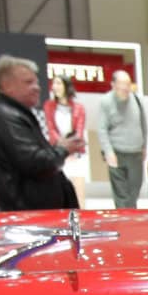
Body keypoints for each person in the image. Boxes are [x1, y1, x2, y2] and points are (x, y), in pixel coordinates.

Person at [0, 55, 84, 212]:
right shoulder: (6, 116)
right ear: (7, 85)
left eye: (36, 82)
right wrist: (63, 150)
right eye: (28, 82)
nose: (37, 87)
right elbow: (36, 163)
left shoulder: (13, 114)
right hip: (28, 217)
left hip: (33, 214)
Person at [96, 69, 147, 208]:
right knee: (121, 194)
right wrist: (108, 152)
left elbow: (143, 125)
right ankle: (125, 220)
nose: (125, 88)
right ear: (113, 84)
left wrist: (144, 147)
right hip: (117, 153)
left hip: (135, 153)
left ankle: (131, 214)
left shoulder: (136, 100)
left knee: (134, 189)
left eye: (128, 84)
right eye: (122, 84)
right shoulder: (106, 102)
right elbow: (102, 129)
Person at [44, 75, 89, 206]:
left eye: (58, 83)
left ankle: (81, 219)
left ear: (66, 86)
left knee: (79, 191)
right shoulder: (49, 106)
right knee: (59, 190)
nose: (55, 87)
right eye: (54, 84)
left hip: (76, 154)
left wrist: (71, 149)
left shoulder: (79, 108)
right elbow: (51, 129)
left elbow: (79, 132)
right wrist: (63, 149)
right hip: (58, 152)